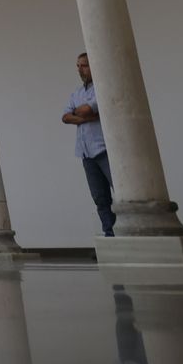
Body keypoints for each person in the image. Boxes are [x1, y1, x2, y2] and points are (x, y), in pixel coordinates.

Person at [63, 52, 114, 237]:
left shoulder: (102, 88)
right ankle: (110, 233)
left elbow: (83, 109)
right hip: (86, 152)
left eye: (83, 65)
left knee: (122, 192)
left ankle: (127, 231)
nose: (80, 70)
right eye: (78, 66)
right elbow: (66, 117)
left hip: (104, 149)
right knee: (100, 198)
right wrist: (89, 116)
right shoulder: (76, 93)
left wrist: (82, 113)